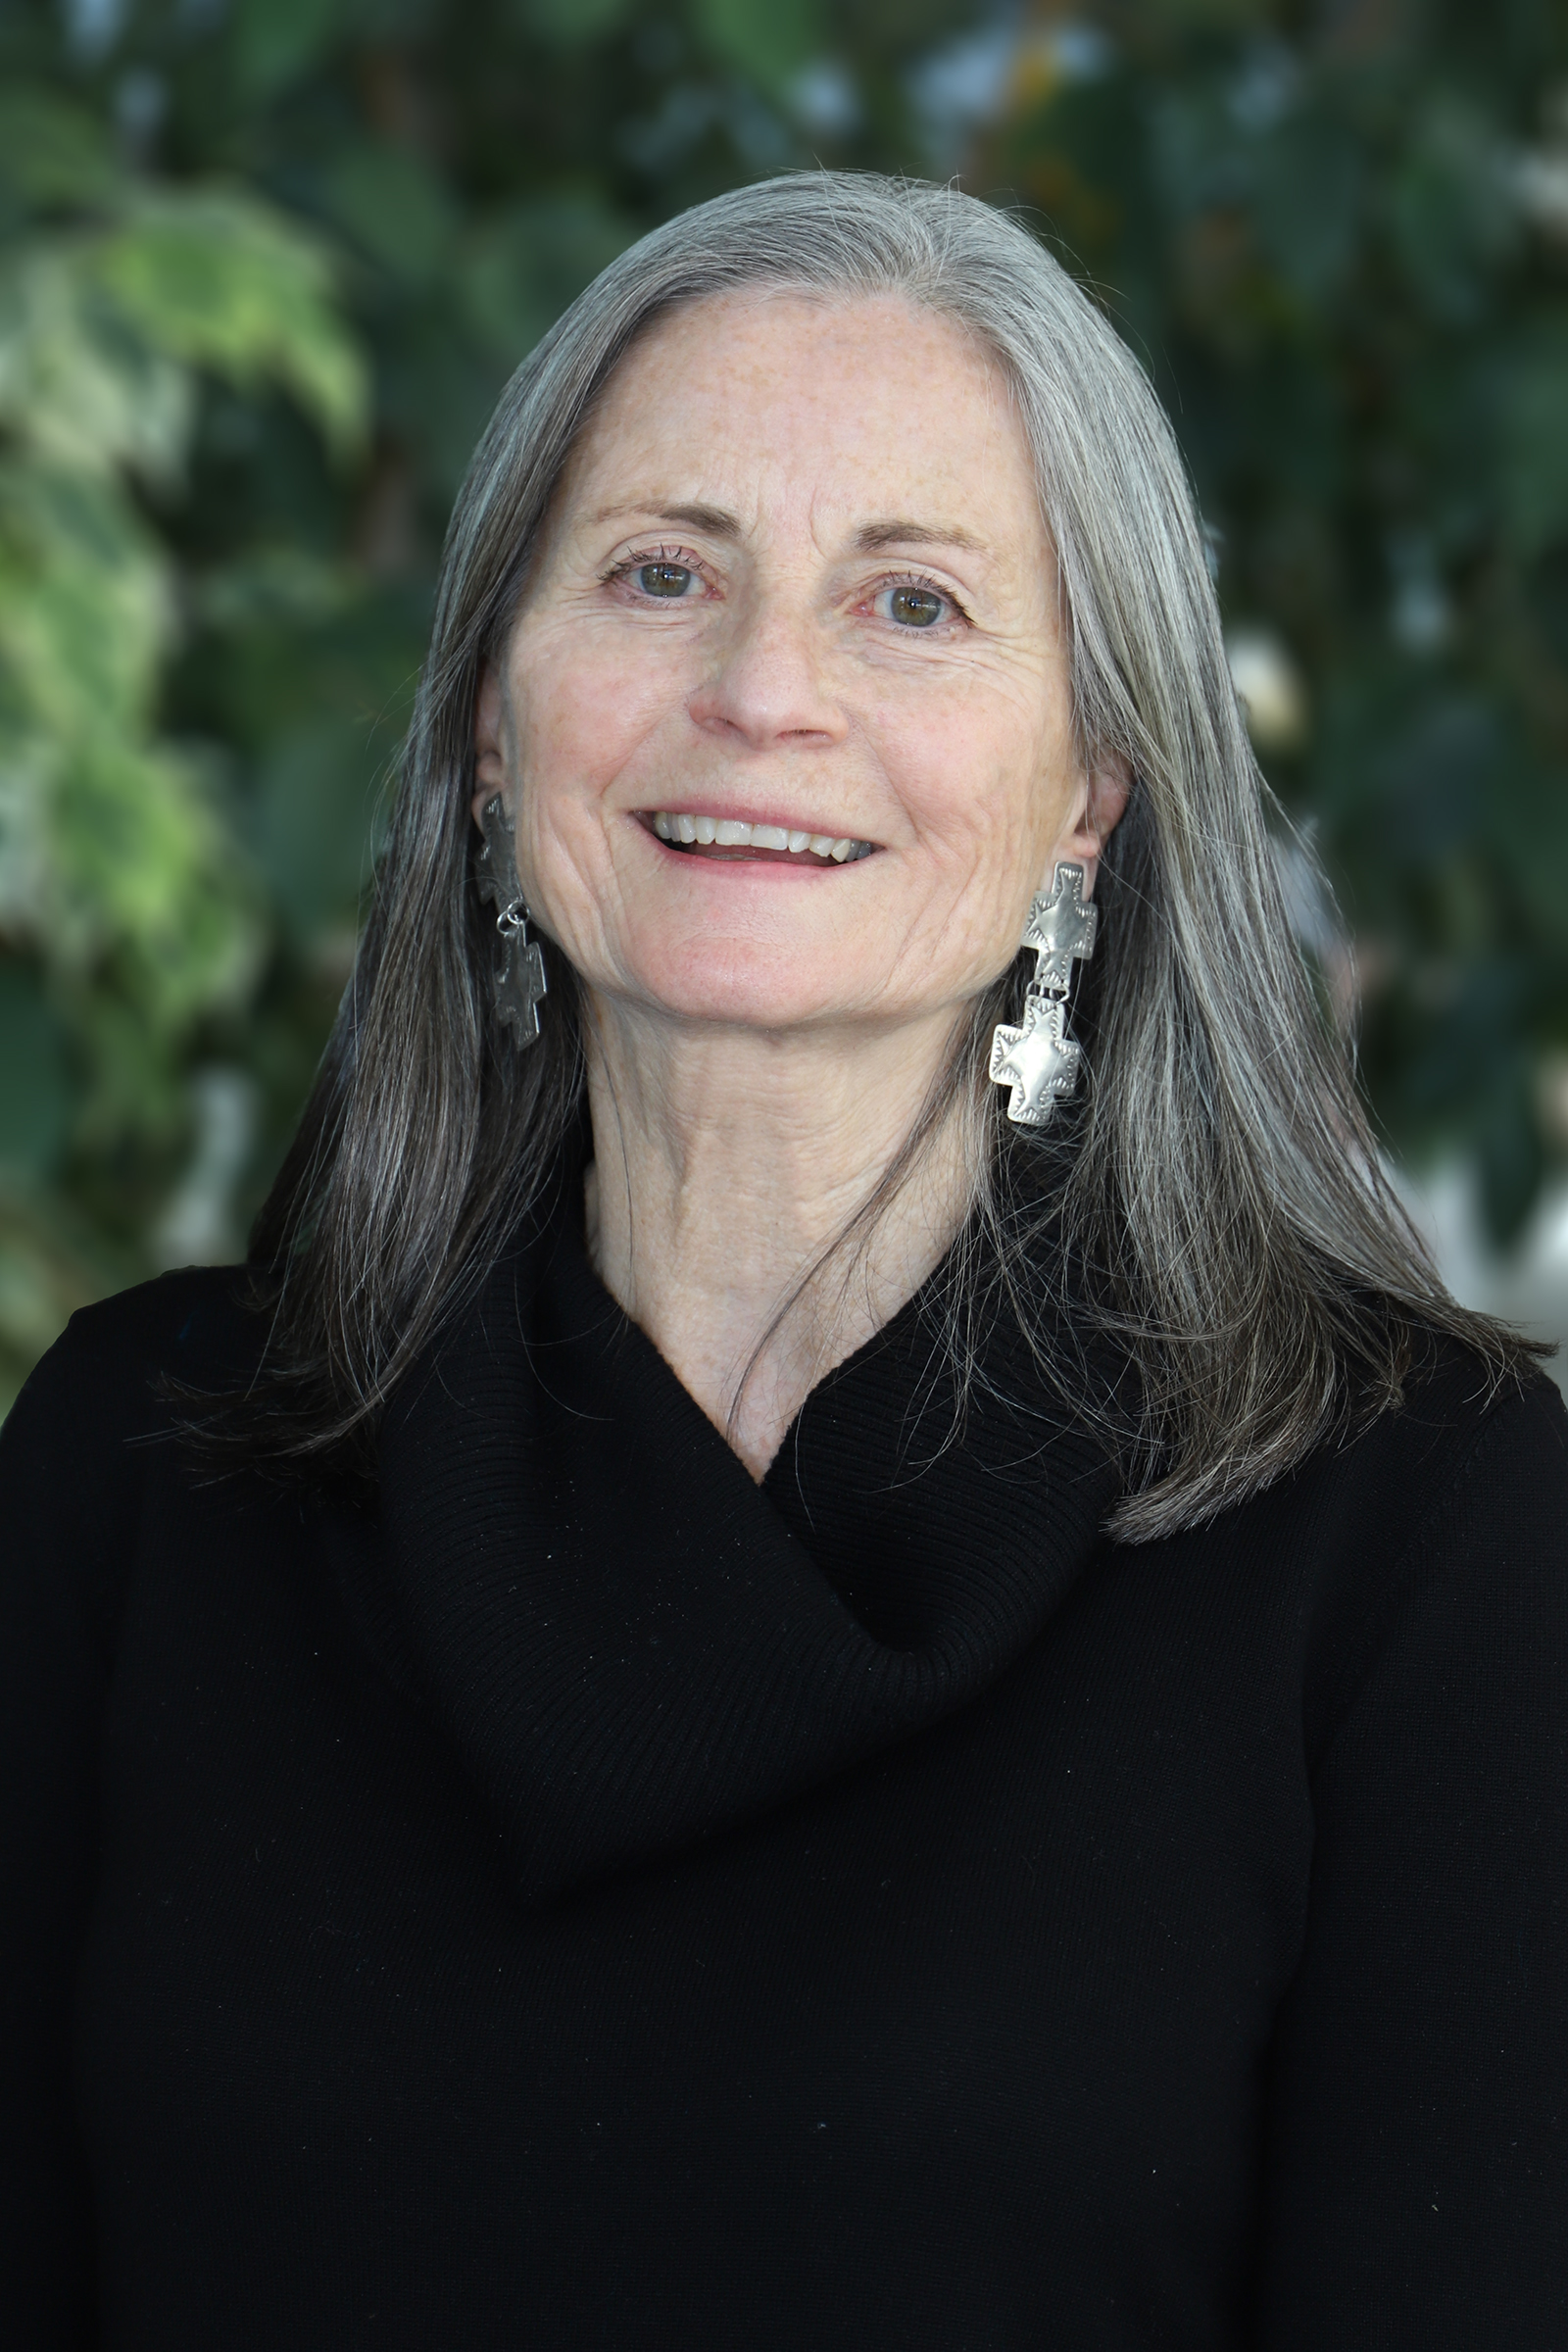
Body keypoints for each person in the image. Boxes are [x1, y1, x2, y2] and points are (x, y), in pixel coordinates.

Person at [4, 172, 1565, 2352]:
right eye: (659, 572)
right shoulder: (137, 1466)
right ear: (485, 715)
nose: (761, 693)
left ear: (1087, 789)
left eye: (909, 604)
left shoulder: (1417, 1528)